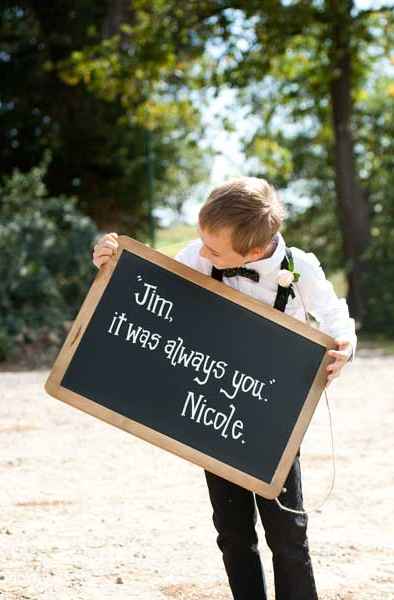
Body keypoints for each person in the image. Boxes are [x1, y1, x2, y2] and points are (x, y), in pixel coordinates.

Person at [92, 176, 357, 600]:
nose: (201, 252)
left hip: (273, 417)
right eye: (200, 242)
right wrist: (112, 265)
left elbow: (335, 317)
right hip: (214, 410)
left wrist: (344, 347)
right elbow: (149, 290)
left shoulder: (299, 267)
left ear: (253, 251)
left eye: (213, 249)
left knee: (288, 530)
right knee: (232, 531)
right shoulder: (198, 257)